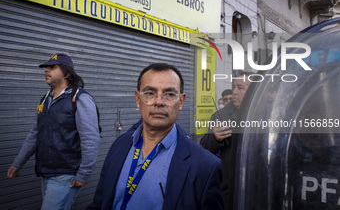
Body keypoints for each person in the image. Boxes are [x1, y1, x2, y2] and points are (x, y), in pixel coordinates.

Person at [87, 63, 224, 210]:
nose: (159, 102)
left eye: (170, 94)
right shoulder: (119, 145)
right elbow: (99, 203)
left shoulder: (205, 166)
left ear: (181, 102)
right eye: (150, 93)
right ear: (138, 99)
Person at [7, 53, 100, 210]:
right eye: (45, 67)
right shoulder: (45, 100)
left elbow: (90, 138)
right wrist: (18, 163)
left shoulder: (79, 98)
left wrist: (84, 174)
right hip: (46, 173)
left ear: (67, 73)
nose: (46, 70)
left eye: (52, 67)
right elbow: (34, 135)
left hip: (66, 174)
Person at [200, 71, 251, 210]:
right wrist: (215, 138)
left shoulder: (266, 114)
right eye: (234, 87)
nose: (234, 92)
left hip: (255, 187)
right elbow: (204, 147)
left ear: (253, 91)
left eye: (240, 88)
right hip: (228, 190)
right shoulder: (220, 116)